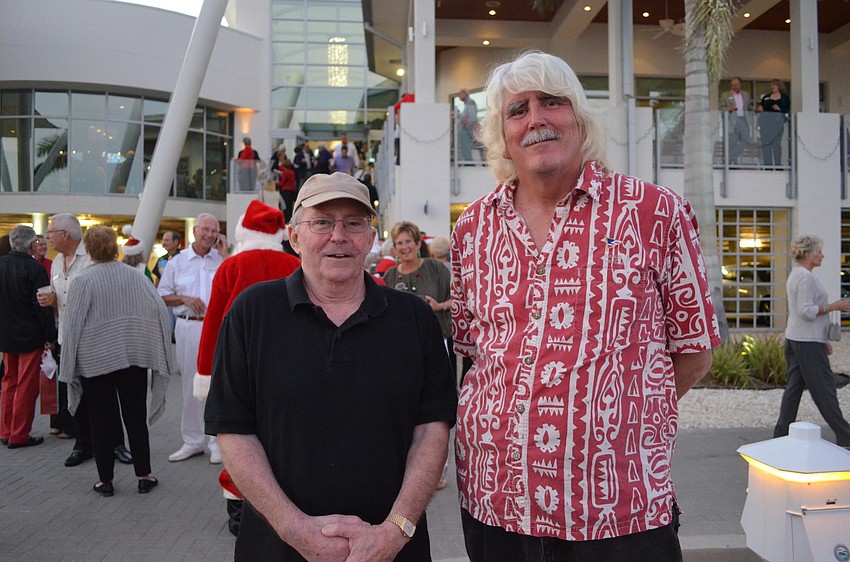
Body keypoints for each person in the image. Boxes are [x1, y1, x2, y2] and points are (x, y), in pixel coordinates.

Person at [450, 51, 720, 561]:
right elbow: (474, 353)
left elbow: (695, 351)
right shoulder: (472, 229)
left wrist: (616, 412)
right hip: (499, 504)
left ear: (578, 118)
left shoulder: (654, 212)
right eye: (518, 109)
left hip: (620, 506)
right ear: (502, 136)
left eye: (552, 103)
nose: (536, 119)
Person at [205, 172, 457, 561]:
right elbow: (234, 431)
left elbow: (431, 431)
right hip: (277, 547)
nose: (338, 235)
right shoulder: (252, 313)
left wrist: (394, 531)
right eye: (322, 221)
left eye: (353, 223)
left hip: (392, 550)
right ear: (295, 236)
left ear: (370, 239)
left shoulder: (413, 319)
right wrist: (296, 530)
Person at [192, 200, 301, 536]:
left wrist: (205, 371)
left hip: (239, 367)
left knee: (240, 440)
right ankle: (287, 505)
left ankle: (240, 512)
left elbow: (213, 323)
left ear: (242, 231)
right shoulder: (295, 263)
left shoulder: (231, 266)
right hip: (292, 365)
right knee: (286, 438)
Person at [58, 226, 173, 497]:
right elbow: (157, 309)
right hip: (134, 358)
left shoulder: (83, 280)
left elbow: (72, 326)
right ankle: (144, 475)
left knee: (101, 421)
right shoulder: (135, 277)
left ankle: (106, 481)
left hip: (95, 361)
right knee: (135, 417)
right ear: (115, 248)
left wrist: (67, 368)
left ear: (88, 248)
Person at [37, 213, 131, 468]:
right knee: (73, 391)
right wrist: (52, 305)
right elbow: (59, 298)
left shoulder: (92, 258)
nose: (48, 238)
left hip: (93, 338)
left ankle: (116, 444)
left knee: (105, 393)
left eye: (50, 233)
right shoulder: (57, 262)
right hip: (66, 336)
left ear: (65, 235)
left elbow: (106, 297)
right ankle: (83, 444)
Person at [158, 213, 228, 464]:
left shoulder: (222, 260)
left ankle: (216, 442)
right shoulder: (177, 263)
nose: (210, 235)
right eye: (206, 230)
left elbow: (235, 288)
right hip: (188, 327)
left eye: (214, 231)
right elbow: (163, 295)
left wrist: (226, 255)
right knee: (190, 385)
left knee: (218, 384)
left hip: (217, 328)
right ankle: (192, 441)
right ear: (195, 231)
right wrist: (185, 299)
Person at [773, 235, 850, 447]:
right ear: (808, 254)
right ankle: (845, 435)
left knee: (794, 389)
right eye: (819, 251)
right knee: (824, 389)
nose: (822, 255)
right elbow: (806, 311)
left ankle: (779, 436)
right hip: (806, 342)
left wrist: (823, 339)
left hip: (798, 339)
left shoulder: (797, 275)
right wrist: (833, 306)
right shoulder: (805, 278)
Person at [0, 225, 57, 448]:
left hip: (5, 334)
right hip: (30, 335)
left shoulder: (1, 264)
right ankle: (19, 434)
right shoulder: (35, 269)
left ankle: (5, 431)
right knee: (26, 385)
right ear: (32, 244)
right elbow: (42, 307)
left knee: (8, 382)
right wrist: (50, 337)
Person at [756, 79, 790, 169]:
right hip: (765, 124)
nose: (772, 87)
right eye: (771, 85)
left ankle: (778, 165)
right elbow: (761, 107)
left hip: (777, 125)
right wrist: (759, 109)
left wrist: (779, 110)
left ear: (779, 86)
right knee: (766, 145)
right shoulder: (766, 97)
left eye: (774, 85)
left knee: (776, 145)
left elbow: (787, 110)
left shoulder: (785, 97)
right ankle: (768, 166)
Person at [721, 77, 752, 165]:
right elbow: (721, 108)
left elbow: (748, 107)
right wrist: (729, 109)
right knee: (732, 142)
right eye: (732, 85)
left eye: (736, 85)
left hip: (743, 120)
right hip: (732, 121)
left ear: (740, 85)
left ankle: (732, 157)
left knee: (747, 140)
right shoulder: (725, 95)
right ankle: (732, 162)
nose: (734, 87)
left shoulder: (746, 95)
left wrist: (756, 110)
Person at [457, 89, 482, 163]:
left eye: (460, 94)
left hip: (470, 128)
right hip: (468, 128)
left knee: (478, 144)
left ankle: (471, 163)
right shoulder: (467, 104)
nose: (459, 96)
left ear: (465, 94)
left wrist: (473, 128)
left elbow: (472, 117)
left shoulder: (470, 102)